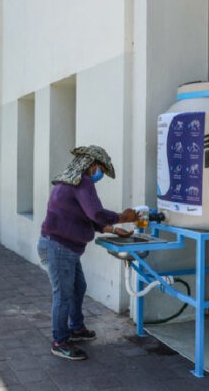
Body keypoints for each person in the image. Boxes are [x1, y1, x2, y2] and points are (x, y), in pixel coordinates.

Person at [38, 145, 137, 360]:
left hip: (62, 247)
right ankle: (60, 341)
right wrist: (123, 217)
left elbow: (84, 217)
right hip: (59, 247)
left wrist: (111, 229)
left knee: (78, 287)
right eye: (100, 168)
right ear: (91, 165)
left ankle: (76, 328)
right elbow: (96, 213)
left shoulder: (68, 183)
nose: (100, 173)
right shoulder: (82, 182)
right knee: (63, 295)